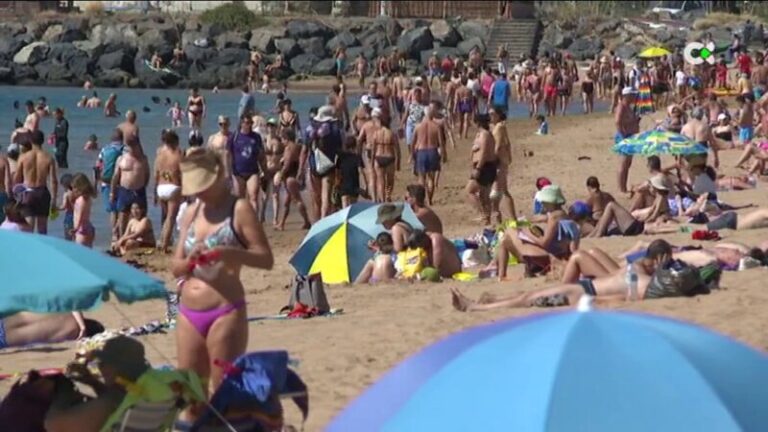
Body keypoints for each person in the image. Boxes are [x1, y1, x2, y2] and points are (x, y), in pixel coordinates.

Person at [172, 149, 273, 406]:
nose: (199, 192)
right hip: (188, 312)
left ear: (218, 175)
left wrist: (230, 254)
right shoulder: (190, 212)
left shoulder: (239, 208)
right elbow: (176, 267)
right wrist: (191, 259)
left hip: (225, 309)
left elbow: (265, 258)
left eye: (202, 185)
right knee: (191, 394)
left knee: (223, 393)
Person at [452, 240, 674, 311]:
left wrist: (595, 301)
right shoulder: (639, 272)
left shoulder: (638, 274)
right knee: (530, 297)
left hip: (582, 292)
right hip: (583, 290)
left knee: (530, 299)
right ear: (659, 258)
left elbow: (631, 299)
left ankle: (474, 307)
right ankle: (490, 303)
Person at [44, 336, 151, 432]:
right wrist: (91, 381)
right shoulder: (142, 391)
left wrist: (62, 393)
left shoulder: (110, 402)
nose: (99, 367)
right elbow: (114, 397)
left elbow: (55, 425)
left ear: (112, 368)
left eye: (101, 363)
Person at [496, 185, 580, 280]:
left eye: (544, 201)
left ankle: (502, 275)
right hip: (559, 257)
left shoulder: (553, 218)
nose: (542, 203)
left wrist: (527, 233)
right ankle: (526, 272)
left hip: (547, 258)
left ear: (550, 202)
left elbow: (544, 243)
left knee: (508, 233)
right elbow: (573, 249)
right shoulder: (566, 218)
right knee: (507, 238)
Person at [14, 130, 57, 234]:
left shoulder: (23, 157)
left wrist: (16, 195)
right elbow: (53, 180)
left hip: (28, 193)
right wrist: (54, 199)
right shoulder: (49, 158)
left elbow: (17, 179)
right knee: (42, 229)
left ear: (30, 140)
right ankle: (43, 249)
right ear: (43, 141)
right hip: (42, 192)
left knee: (28, 229)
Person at [110, 136, 150, 238]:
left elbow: (147, 175)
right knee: (122, 217)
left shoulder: (143, 159)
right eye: (130, 146)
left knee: (141, 217)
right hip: (124, 191)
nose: (132, 148)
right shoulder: (121, 159)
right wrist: (112, 192)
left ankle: (140, 239)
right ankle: (122, 239)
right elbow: (115, 177)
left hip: (139, 190)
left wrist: (142, 186)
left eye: (134, 146)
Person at [229, 114, 267, 215]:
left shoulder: (256, 137)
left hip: (253, 172)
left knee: (253, 197)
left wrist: (265, 170)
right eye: (247, 123)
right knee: (239, 199)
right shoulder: (234, 137)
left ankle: (254, 221)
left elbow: (261, 155)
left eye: (251, 123)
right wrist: (227, 171)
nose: (249, 125)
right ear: (241, 123)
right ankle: (241, 222)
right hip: (238, 172)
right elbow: (228, 154)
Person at [0, 312, 102, 349]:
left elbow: (73, 305)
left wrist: (82, 325)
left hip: (7, 319)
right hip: (8, 337)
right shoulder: (72, 333)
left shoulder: (68, 310)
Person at [154, 129, 183, 253]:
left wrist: (155, 192)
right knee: (171, 218)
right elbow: (182, 174)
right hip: (173, 187)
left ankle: (161, 240)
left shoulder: (160, 155)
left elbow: (156, 173)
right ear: (175, 142)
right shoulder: (178, 155)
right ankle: (165, 245)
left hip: (161, 187)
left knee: (166, 217)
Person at [466, 113, 497, 225]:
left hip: (484, 166)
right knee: (484, 195)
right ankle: (486, 219)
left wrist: (478, 168)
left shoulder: (485, 134)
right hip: (483, 166)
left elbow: (484, 152)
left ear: (477, 123)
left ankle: (482, 214)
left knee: (470, 190)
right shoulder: (481, 134)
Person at [276, 129, 311, 230]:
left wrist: (280, 175)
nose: (282, 142)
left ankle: (307, 221)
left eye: (282, 139)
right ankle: (281, 224)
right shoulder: (299, 146)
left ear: (286, 138)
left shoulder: (289, 148)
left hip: (290, 178)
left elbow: (287, 165)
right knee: (287, 201)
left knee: (297, 200)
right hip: (297, 176)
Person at [412, 104, 445, 205]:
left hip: (421, 151)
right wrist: (443, 154)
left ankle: (421, 199)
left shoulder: (418, 126)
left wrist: (412, 155)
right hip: (432, 151)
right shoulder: (436, 126)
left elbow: (413, 143)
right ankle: (430, 199)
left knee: (422, 178)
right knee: (431, 178)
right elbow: (441, 143)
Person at [95, 129, 124, 242]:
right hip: (121, 183)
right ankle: (120, 232)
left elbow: (97, 166)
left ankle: (114, 234)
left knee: (112, 210)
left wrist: (95, 183)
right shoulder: (124, 149)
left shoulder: (104, 149)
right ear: (122, 138)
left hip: (106, 182)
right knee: (122, 209)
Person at [490, 106, 516, 222]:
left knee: (498, 192)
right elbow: (507, 143)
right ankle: (508, 218)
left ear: (498, 115)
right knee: (503, 190)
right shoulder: (499, 126)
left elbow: (499, 145)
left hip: (499, 162)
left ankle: (500, 217)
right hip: (502, 161)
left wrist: (492, 159)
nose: (490, 116)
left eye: (492, 114)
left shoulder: (499, 127)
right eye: (489, 114)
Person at [372, 108, 400, 203]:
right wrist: (398, 162)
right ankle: (388, 195)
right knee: (390, 180)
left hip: (378, 157)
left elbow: (373, 149)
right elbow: (397, 149)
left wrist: (372, 161)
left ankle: (382, 199)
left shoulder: (376, 133)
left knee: (380, 181)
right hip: (389, 157)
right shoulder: (391, 134)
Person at [615, 87, 641, 193]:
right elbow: (617, 121)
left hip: (630, 136)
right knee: (624, 163)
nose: (634, 97)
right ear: (627, 96)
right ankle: (621, 188)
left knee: (628, 164)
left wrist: (635, 121)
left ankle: (624, 187)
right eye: (632, 95)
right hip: (625, 137)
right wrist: (623, 134)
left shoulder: (628, 107)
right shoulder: (621, 106)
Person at [337, 134, 363, 208]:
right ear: (355, 145)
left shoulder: (341, 158)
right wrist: (366, 186)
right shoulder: (357, 157)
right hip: (354, 187)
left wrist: (337, 183)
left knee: (344, 209)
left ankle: (345, 220)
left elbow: (337, 172)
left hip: (343, 186)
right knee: (352, 209)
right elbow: (361, 171)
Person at [70, 173, 96, 248]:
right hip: (87, 227)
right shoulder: (87, 198)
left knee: (80, 252)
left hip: (81, 229)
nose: (73, 190)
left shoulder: (81, 200)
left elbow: (80, 215)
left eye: (74, 187)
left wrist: (75, 228)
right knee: (87, 252)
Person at [59, 174, 75, 241]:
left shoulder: (66, 194)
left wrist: (56, 208)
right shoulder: (75, 193)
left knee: (68, 236)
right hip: (76, 215)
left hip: (69, 215)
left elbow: (64, 206)